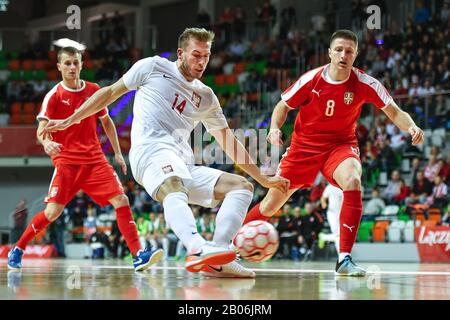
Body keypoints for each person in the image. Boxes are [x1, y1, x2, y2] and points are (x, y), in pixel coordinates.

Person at [42, 28, 290, 278]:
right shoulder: (152, 67)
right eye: (196, 55)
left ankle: (217, 256)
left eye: (206, 56)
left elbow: (228, 141)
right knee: (174, 185)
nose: (202, 62)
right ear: (181, 53)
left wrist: (262, 179)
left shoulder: (206, 96)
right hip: (149, 153)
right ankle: (196, 248)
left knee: (241, 187)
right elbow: (109, 93)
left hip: (183, 163)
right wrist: (70, 120)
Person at [243, 29, 424, 276]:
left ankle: (344, 258)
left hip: (340, 146)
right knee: (270, 205)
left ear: (356, 55)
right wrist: (274, 129)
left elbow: (393, 111)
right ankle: (234, 245)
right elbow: (282, 106)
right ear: (329, 52)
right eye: (338, 49)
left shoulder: (364, 83)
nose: (343, 54)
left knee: (353, 179)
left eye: (349, 51)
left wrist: (412, 126)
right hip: (303, 148)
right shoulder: (312, 79)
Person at [7, 46, 163, 272]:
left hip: (95, 161)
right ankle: (18, 248)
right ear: (59, 66)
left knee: (121, 200)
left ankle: (138, 255)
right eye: (67, 63)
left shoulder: (94, 90)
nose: (72, 67)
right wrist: (46, 142)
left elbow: (107, 121)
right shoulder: (54, 96)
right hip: (67, 163)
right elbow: (41, 129)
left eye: (76, 63)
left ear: (81, 65)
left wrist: (118, 152)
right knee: (53, 213)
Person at [318, 183, 343, 253]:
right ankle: (342, 257)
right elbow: (323, 197)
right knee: (338, 235)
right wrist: (324, 204)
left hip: (342, 214)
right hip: (332, 213)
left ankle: (324, 237)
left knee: (340, 235)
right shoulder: (330, 187)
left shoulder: (343, 186)